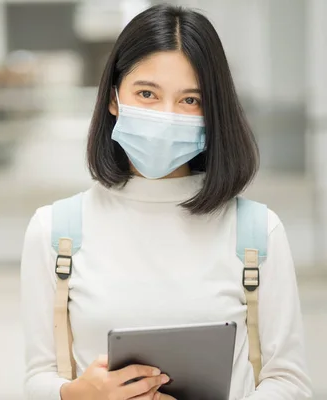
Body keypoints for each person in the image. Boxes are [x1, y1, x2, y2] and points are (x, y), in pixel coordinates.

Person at [20, 4, 312, 400]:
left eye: (190, 101)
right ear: (112, 98)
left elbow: (289, 382)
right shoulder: (55, 232)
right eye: (146, 94)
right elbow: (39, 377)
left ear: (213, 111)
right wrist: (80, 395)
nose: (166, 116)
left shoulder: (258, 233)